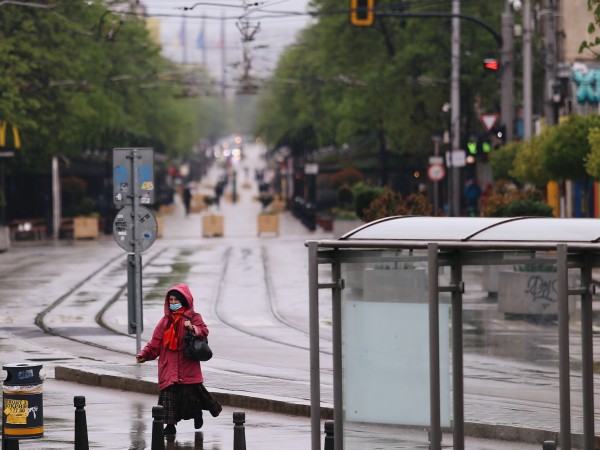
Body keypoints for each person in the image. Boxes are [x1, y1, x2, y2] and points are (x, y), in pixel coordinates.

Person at [136, 284, 221, 435]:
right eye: (171, 300)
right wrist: (144, 354)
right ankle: (170, 426)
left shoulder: (194, 317)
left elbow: (204, 332)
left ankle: (197, 414)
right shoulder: (165, 321)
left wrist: (192, 328)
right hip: (168, 367)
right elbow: (155, 342)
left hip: (188, 366)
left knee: (191, 396)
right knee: (169, 396)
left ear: (185, 301)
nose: (173, 303)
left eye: (176, 300)